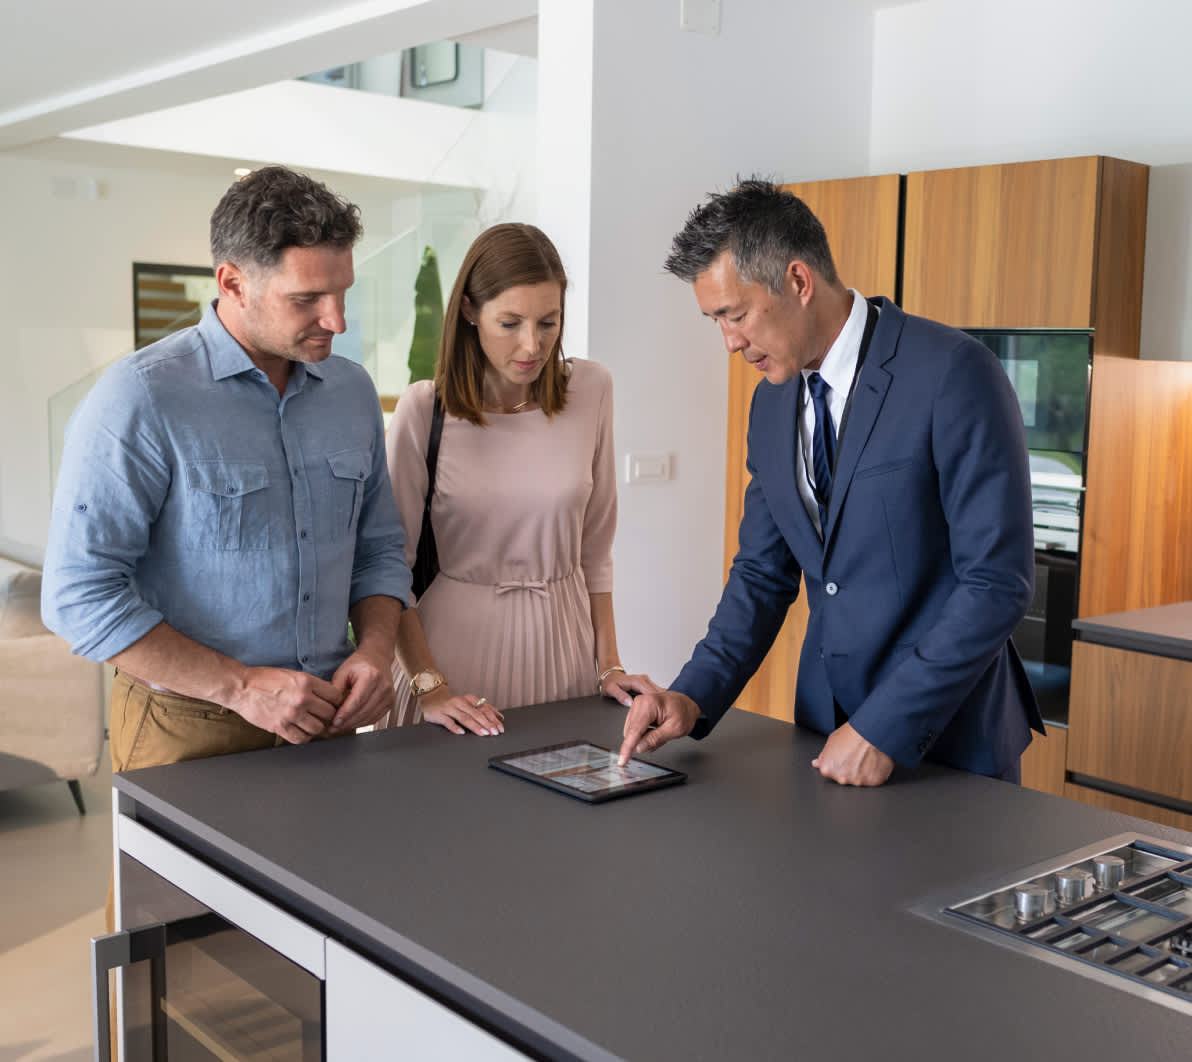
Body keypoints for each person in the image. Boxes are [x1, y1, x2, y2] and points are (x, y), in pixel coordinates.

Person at [618, 178, 1044, 785]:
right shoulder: (770, 404)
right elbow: (763, 576)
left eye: (735, 315)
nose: (729, 342)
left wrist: (883, 727)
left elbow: (996, 583)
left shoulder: (953, 372)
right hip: (824, 736)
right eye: (715, 320)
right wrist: (691, 696)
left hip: (948, 745)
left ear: (797, 280)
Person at [42, 165, 409, 801]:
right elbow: (77, 595)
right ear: (232, 283)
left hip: (327, 723)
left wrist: (376, 650)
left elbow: (377, 548)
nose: (338, 320)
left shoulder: (351, 393)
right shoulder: (141, 399)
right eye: (307, 300)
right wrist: (239, 687)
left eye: (343, 292)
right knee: (178, 907)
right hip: (189, 728)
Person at [379, 223, 635, 734]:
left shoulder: (591, 389)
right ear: (470, 311)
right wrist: (429, 685)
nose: (532, 344)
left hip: (564, 650)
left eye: (548, 322)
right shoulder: (423, 409)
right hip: (451, 660)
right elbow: (390, 570)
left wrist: (610, 665)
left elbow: (595, 554)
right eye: (510, 322)